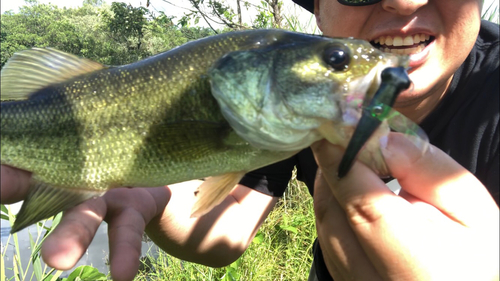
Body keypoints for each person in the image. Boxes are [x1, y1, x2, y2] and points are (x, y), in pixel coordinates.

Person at [1, 0, 498, 280]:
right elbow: (229, 222)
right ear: (320, 15)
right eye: (336, 60)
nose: (405, 1)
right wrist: (160, 202)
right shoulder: (290, 119)